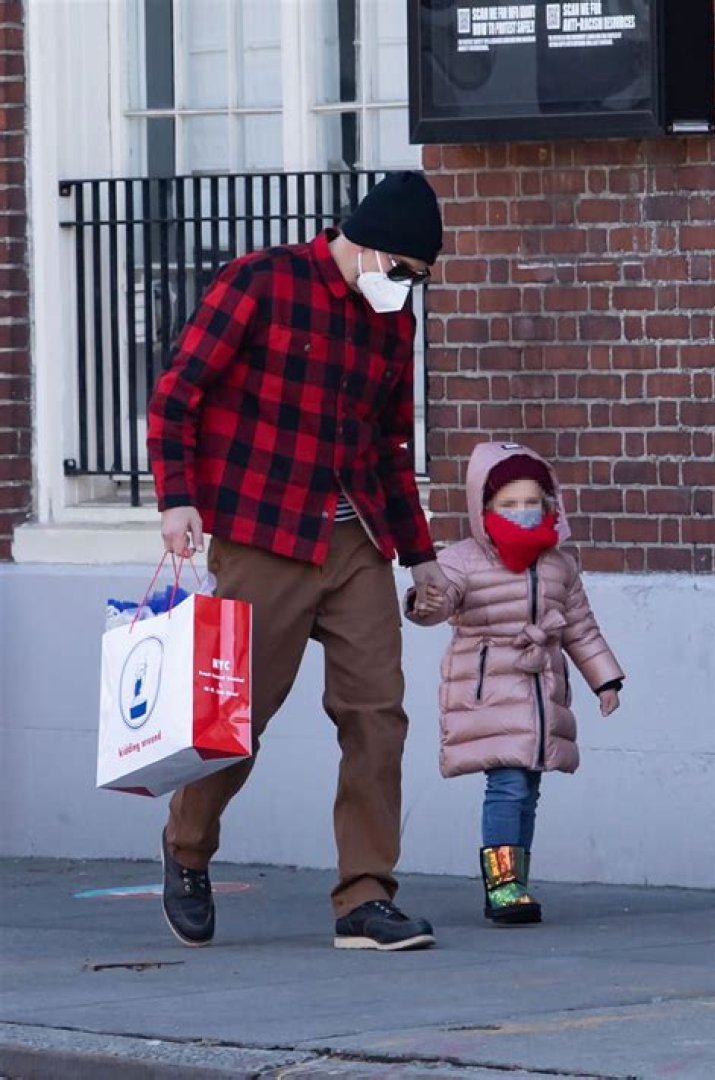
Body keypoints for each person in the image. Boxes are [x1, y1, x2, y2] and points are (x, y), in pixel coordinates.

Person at [147, 171, 449, 952]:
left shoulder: (394, 323)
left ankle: (364, 898)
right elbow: (177, 395)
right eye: (409, 272)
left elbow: (390, 445)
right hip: (263, 531)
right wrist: (177, 498)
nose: (410, 291)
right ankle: (187, 848)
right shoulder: (261, 282)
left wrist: (421, 558)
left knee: (377, 715)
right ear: (375, 244)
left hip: (356, 541)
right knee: (237, 719)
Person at [405, 442, 624, 925]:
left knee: (528, 787)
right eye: (508, 504)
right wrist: (425, 602)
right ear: (484, 509)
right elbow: (443, 598)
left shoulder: (557, 564)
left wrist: (605, 680)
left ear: (548, 506)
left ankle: (516, 882)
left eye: (531, 503)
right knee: (506, 785)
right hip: (490, 691)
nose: (522, 513)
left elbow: (580, 628)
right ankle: (501, 885)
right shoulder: (464, 560)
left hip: (542, 693)